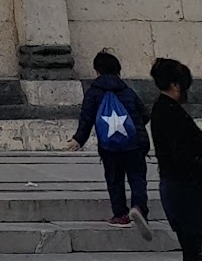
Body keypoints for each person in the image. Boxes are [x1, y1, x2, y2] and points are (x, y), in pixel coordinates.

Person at [68, 49, 151, 235]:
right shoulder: (127, 90)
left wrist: (78, 139)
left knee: (114, 179)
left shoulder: (93, 93)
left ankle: (120, 215)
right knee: (137, 178)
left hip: (109, 146)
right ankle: (139, 208)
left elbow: (87, 118)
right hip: (134, 143)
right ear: (118, 71)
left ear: (97, 71)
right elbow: (144, 114)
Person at [151, 58, 202, 261]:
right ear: (175, 85)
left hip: (179, 188)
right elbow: (183, 155)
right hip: (185, 190)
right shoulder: (170, 113)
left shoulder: (164, 109)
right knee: (194, 248)